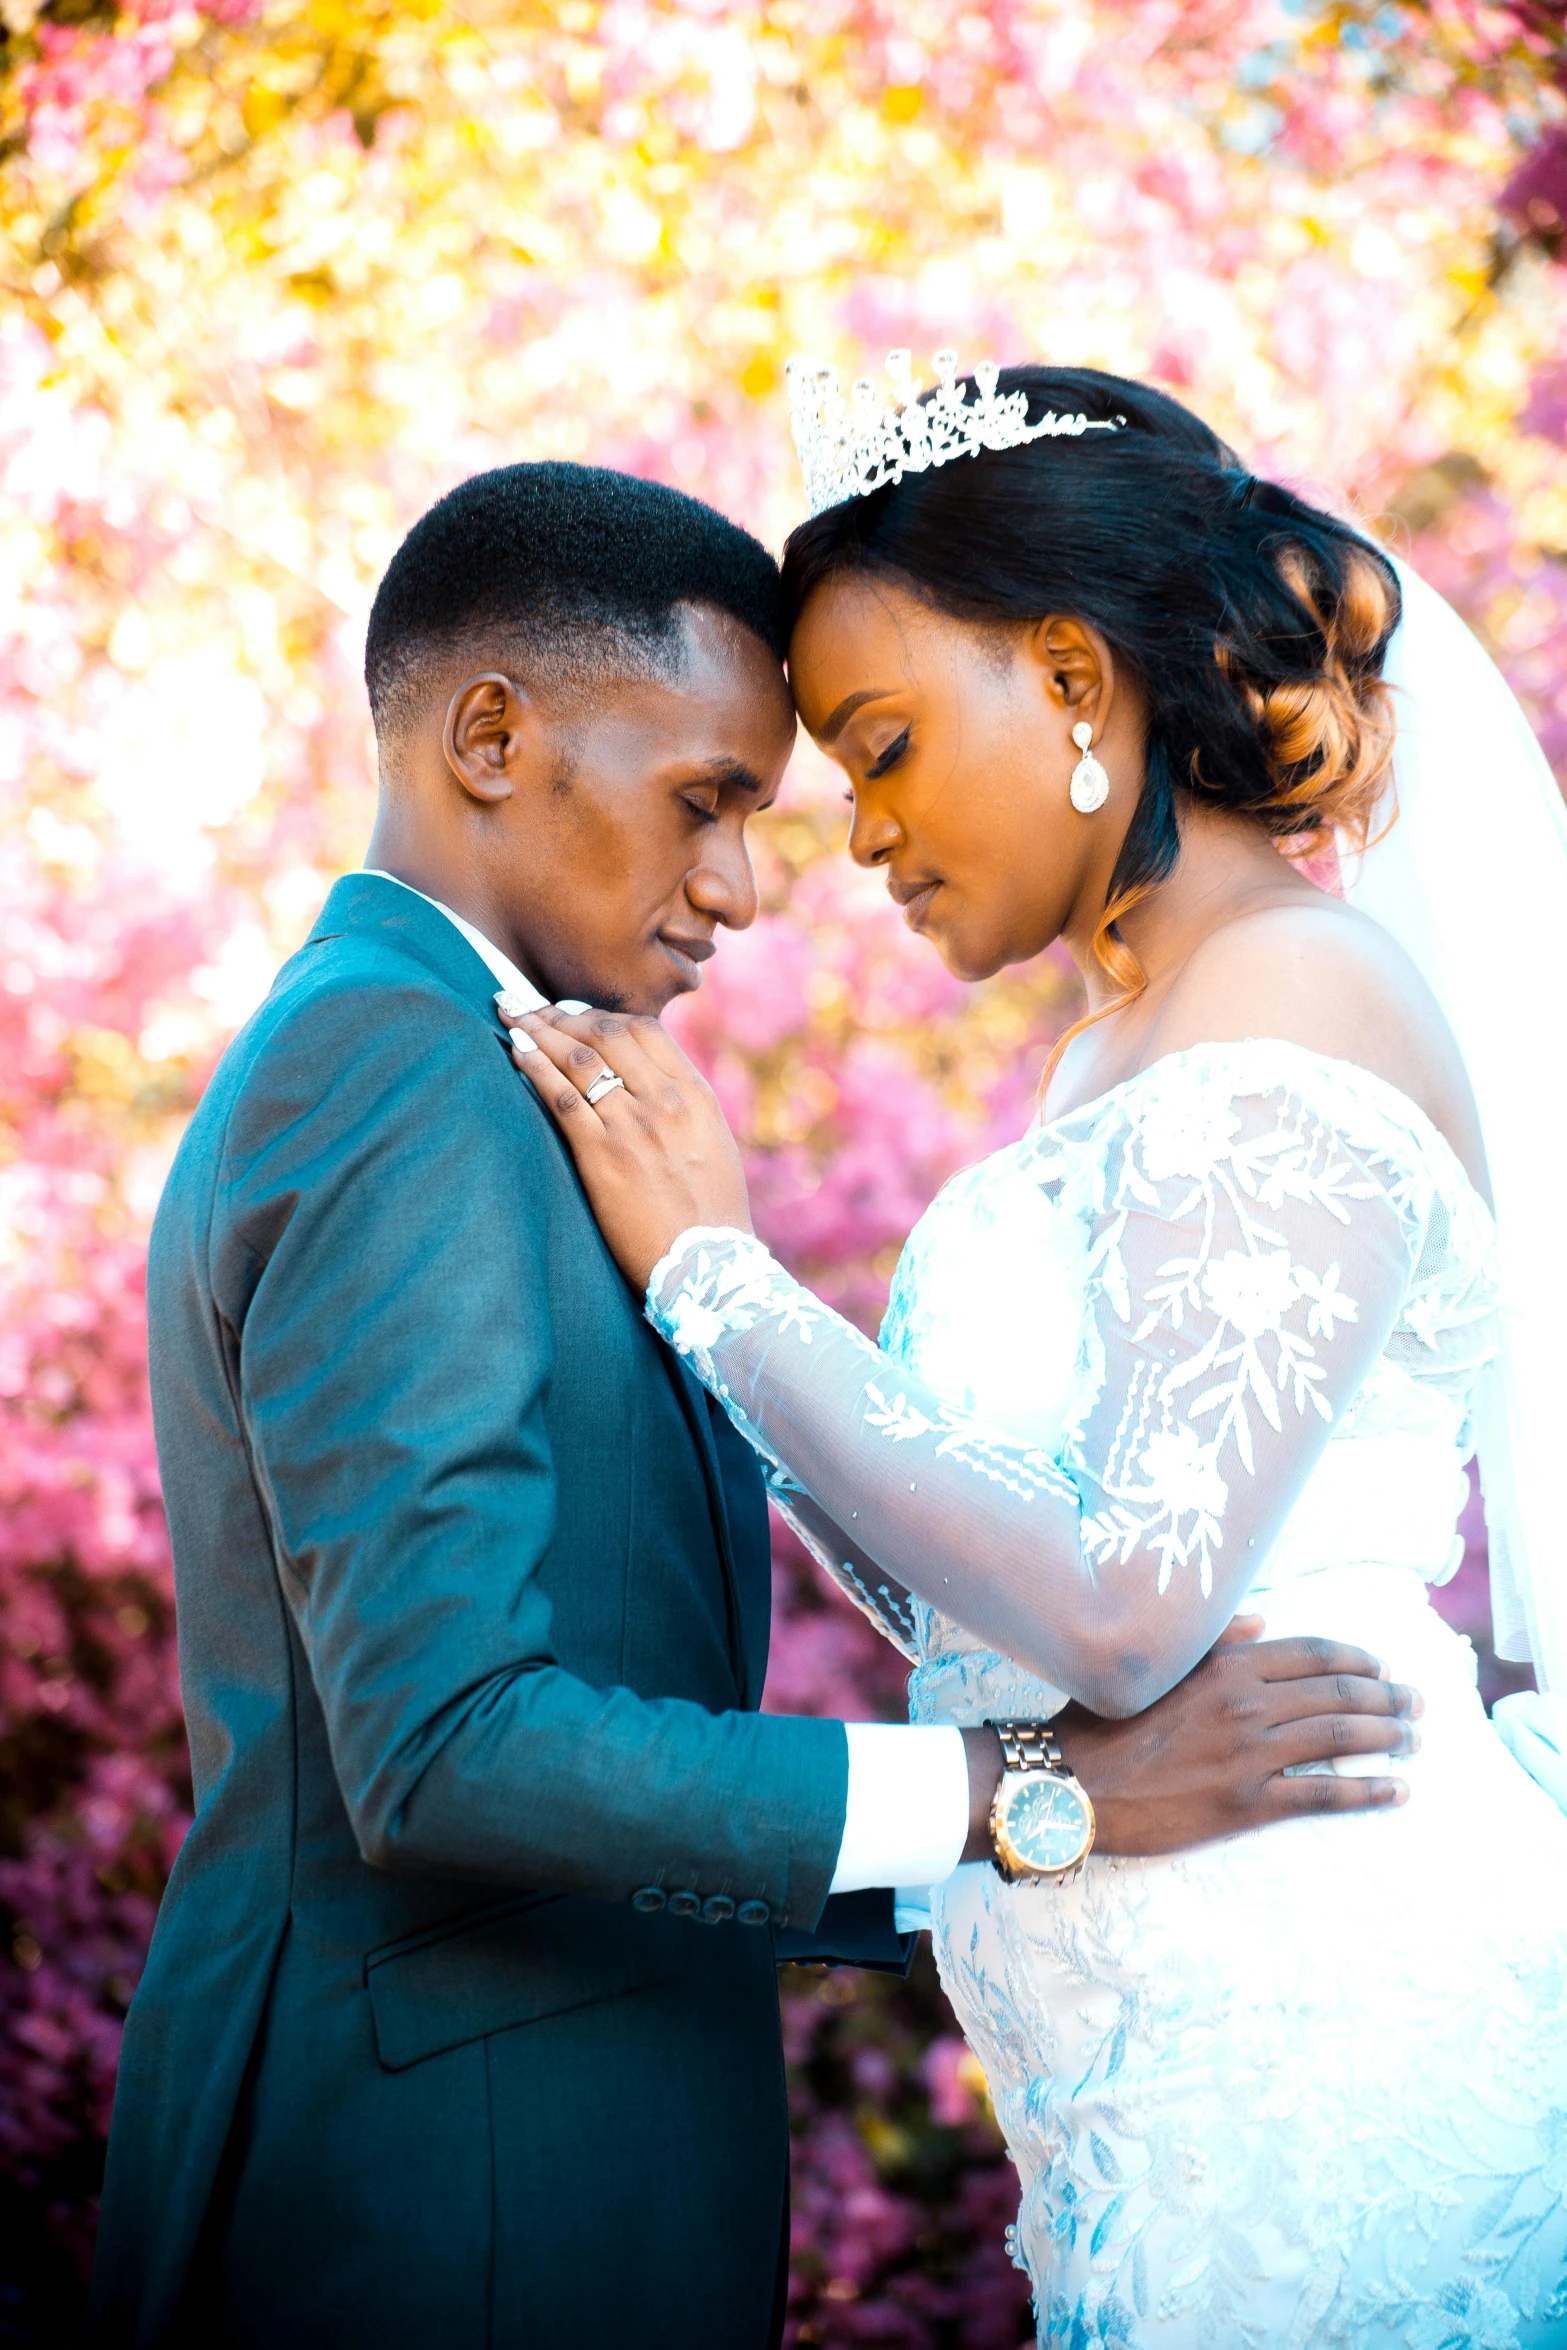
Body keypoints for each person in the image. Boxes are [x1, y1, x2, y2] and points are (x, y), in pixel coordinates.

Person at [88, 461, 1414, 2350]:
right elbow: (446, 1743)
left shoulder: (501, 1081)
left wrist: (1065, 1862)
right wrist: (1034, 1801)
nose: (741, 883)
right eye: (706, 800)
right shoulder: (400, 1076)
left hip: (548, 2171)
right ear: (489, 734)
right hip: (442, 2207)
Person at [501, 373, 1567, 2347]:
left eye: (888, 749)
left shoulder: (1293, 981)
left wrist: (725, 1281)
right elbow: (967, 1594)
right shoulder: (1115, 1051)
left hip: (1328, 2035)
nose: (865, 837)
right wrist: (705, 1341)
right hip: (1154, 2087)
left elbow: (1124, 1598)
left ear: (1076, 677)